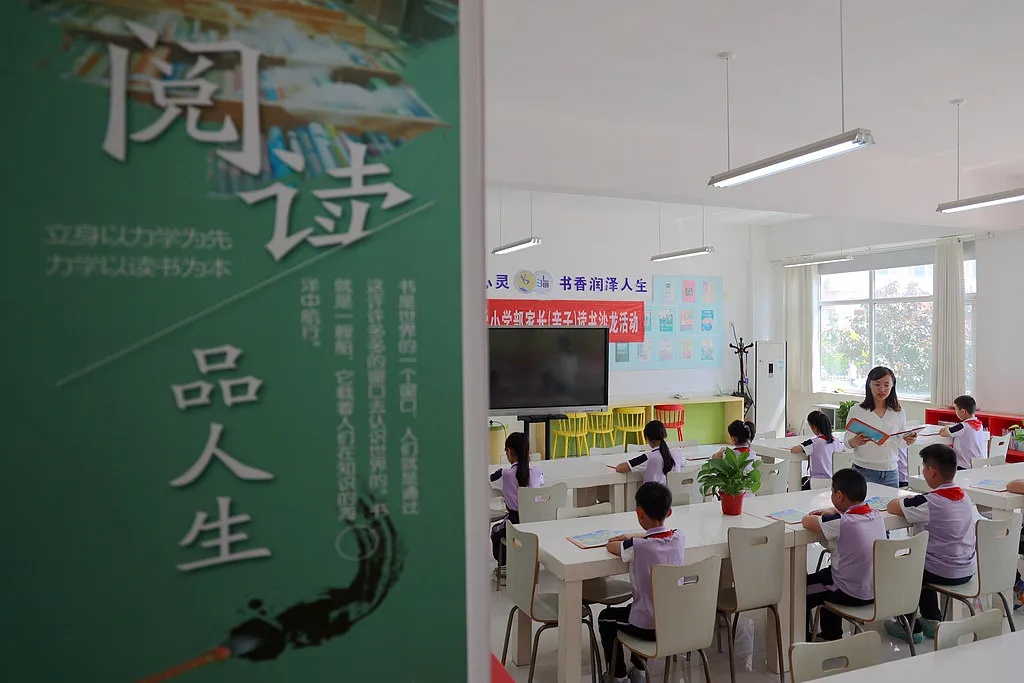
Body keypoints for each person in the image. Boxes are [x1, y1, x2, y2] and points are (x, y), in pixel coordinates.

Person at [885, 444, 976, 642]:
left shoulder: (928, 502)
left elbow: (893, 506)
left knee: (901, 565)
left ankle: (909, 626)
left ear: (932, 472)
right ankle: (931, 618)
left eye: (924, 467)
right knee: (923, 561)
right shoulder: (964, 496)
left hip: (941, 570)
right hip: (966, 568)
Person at [599, 482, 684, 683]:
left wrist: (628, 537)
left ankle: (618, 676)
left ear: (639, 513)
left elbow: (612, 546)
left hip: (647, 625)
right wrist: (635, 535)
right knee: (635, 610)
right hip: (673, 622)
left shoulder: (636, 546)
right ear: (669, 512)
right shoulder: (679, 537)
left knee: (605, 619)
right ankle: (639, 670)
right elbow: (656, 536)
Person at [802, 468, 887, 641]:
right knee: (827, 576)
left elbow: (807, 521)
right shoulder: (876, 515)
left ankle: (805, 637)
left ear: (839, 495)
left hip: (849, 591)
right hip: (875, 589)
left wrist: (830, 513)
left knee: (798, 591)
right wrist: (835, 511)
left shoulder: (842, 523)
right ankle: (831, 634)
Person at [844, 366, 918, 488]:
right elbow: (847, 442)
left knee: (891, 501)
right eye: (877, 384)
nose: (882, 389)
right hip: (864, 470)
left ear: (892, 386)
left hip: (891, 471)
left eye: (886, 385)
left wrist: (908, 440)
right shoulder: (857, 410)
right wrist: (855, 441)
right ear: (869, 384)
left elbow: (900, 442)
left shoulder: (898, 412)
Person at [489, 432, 544, 570]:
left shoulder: (505, 475)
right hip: (537, 522)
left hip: (515, 522)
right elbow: (541, 483)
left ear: (509, 451)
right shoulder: (537, 473)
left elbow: (491, 480)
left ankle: (504, 566)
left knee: (495, 531)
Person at [614, 420, 678, 485]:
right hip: (672, 491)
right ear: (665, 435)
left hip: (652, 491)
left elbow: (620, 468)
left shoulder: (647, 458)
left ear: (646, 438)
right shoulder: (677, 454)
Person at [794, 410, 845, 490]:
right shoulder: (837, 441)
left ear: (812, 427)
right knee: (804, 479)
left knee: (796, 485)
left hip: (816, 482)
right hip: (834, 481)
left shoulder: (813, 442)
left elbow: (794, 450)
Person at [938, 395, 987, 470]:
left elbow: (944, 433)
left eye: (956, 409)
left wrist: (946, 427)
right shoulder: (979, 424)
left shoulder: (962, 427)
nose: (955, 412)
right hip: (978, 464)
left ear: (963, 411)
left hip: (964, 466)